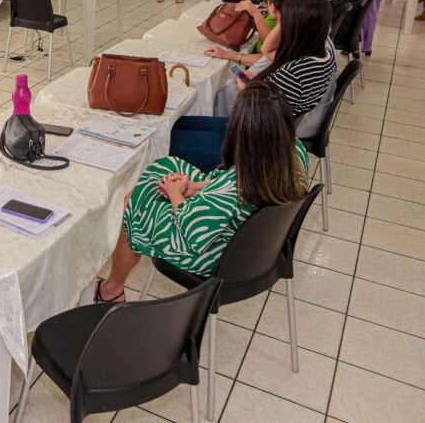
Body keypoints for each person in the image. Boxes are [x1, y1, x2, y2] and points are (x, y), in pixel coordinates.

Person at [94, 80, 308, 302]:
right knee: (169, 167)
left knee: (133, 204)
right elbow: (247, 182)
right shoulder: (293, 150)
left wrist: (176, 194)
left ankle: (112, 289)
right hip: (252, 242)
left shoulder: (235, 185)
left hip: (213, 252)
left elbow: (193, 231)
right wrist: (196, 187)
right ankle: (116, 277)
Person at [171, 0, 334, 170]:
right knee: (175, 125)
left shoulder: (295, 71)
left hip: (251, 146)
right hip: (258, 132)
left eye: (284, 20)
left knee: (167, 140)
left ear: (296, 26)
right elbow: (268, 56)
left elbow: (261, 109)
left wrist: (246, 89)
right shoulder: (321, 54)